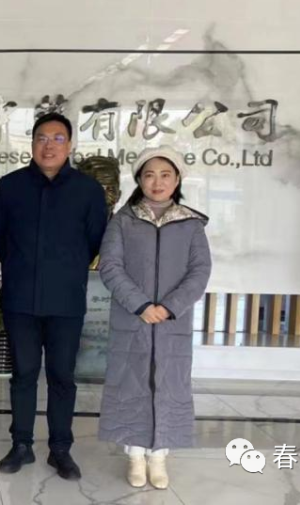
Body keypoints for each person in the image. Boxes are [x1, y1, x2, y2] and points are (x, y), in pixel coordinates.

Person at [0, 112, 107, 479]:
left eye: (57, 138)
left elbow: (94, 241)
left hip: (66, 300)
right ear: (32, 143)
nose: (49, 145)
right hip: (20, 298)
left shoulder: (88, 191)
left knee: (61, 376)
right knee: (23, 374)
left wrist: (64, 269)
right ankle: (21, 445)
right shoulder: (10, 187)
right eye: (42, 138)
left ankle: (60, 449)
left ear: (69, 145)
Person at [97, 146, 211, 490]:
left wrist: (170, 306)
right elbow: (110, 267)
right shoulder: (123, 221)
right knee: (130, 383)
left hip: (172, 323)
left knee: (169, 385)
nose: (157, 182)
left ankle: (159, 456)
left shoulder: (192, 225)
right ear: (139, 180)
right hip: (132, 320)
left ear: (177, 180)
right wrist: (141, 305)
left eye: (165, 175)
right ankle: (134, 455)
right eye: (149, 175)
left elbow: (200, 271)